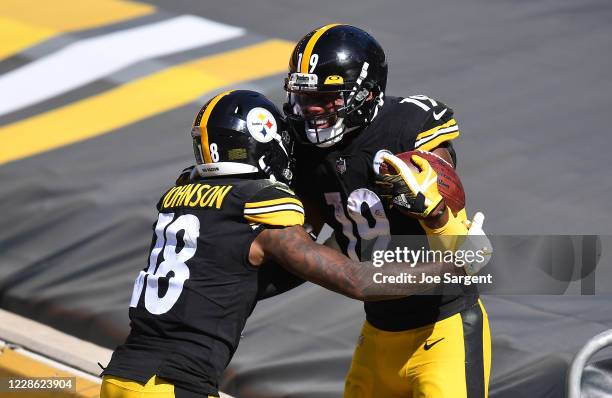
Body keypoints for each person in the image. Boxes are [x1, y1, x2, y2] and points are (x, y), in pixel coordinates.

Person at [99, 90, 473, 398]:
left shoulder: (180, 195)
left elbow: (241, 278)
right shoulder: (261, 206)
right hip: (175, 383)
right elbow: (358, 280)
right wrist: (457, 263)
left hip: (123, 373)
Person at [284, 24, 492, 397]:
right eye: (304, 95)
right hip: (378, 332)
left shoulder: (406, 128)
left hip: (441, 329)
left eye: (325, 96)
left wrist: (434, 209)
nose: (311, 108)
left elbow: (457, 233)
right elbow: (302, 234)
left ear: (366, 92)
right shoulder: (304, 150)